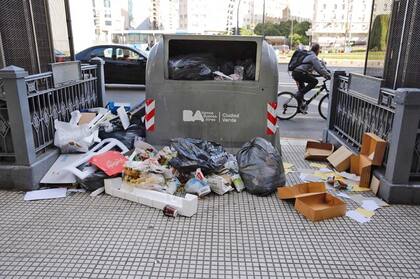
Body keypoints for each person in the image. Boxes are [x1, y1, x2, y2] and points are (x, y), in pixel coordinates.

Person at [292, 43, 331, 111]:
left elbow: (315, 69)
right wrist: (328, 75)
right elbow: (319, 69)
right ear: (317, 50)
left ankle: (300, 108)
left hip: (296, 72)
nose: (319, 52)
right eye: (319, 50)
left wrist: (323, 74)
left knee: (302, 90)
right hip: (299, 73)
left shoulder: (308, 54)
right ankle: (299, 94)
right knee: (314, 81)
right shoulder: (313, 57)